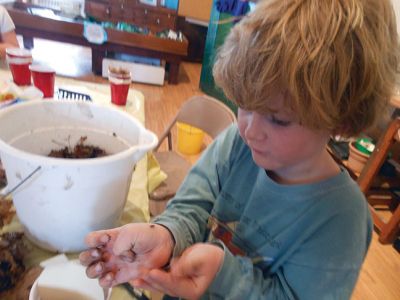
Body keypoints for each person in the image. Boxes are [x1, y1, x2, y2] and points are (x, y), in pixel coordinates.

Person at [79, 0, 399, 298]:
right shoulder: (238, 143)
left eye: (278, 119)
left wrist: (224, 274)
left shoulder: (341, 220)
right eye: (244, 105)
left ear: (341, 119)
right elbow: (193, 204)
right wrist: (167, 234)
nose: (248, 129)